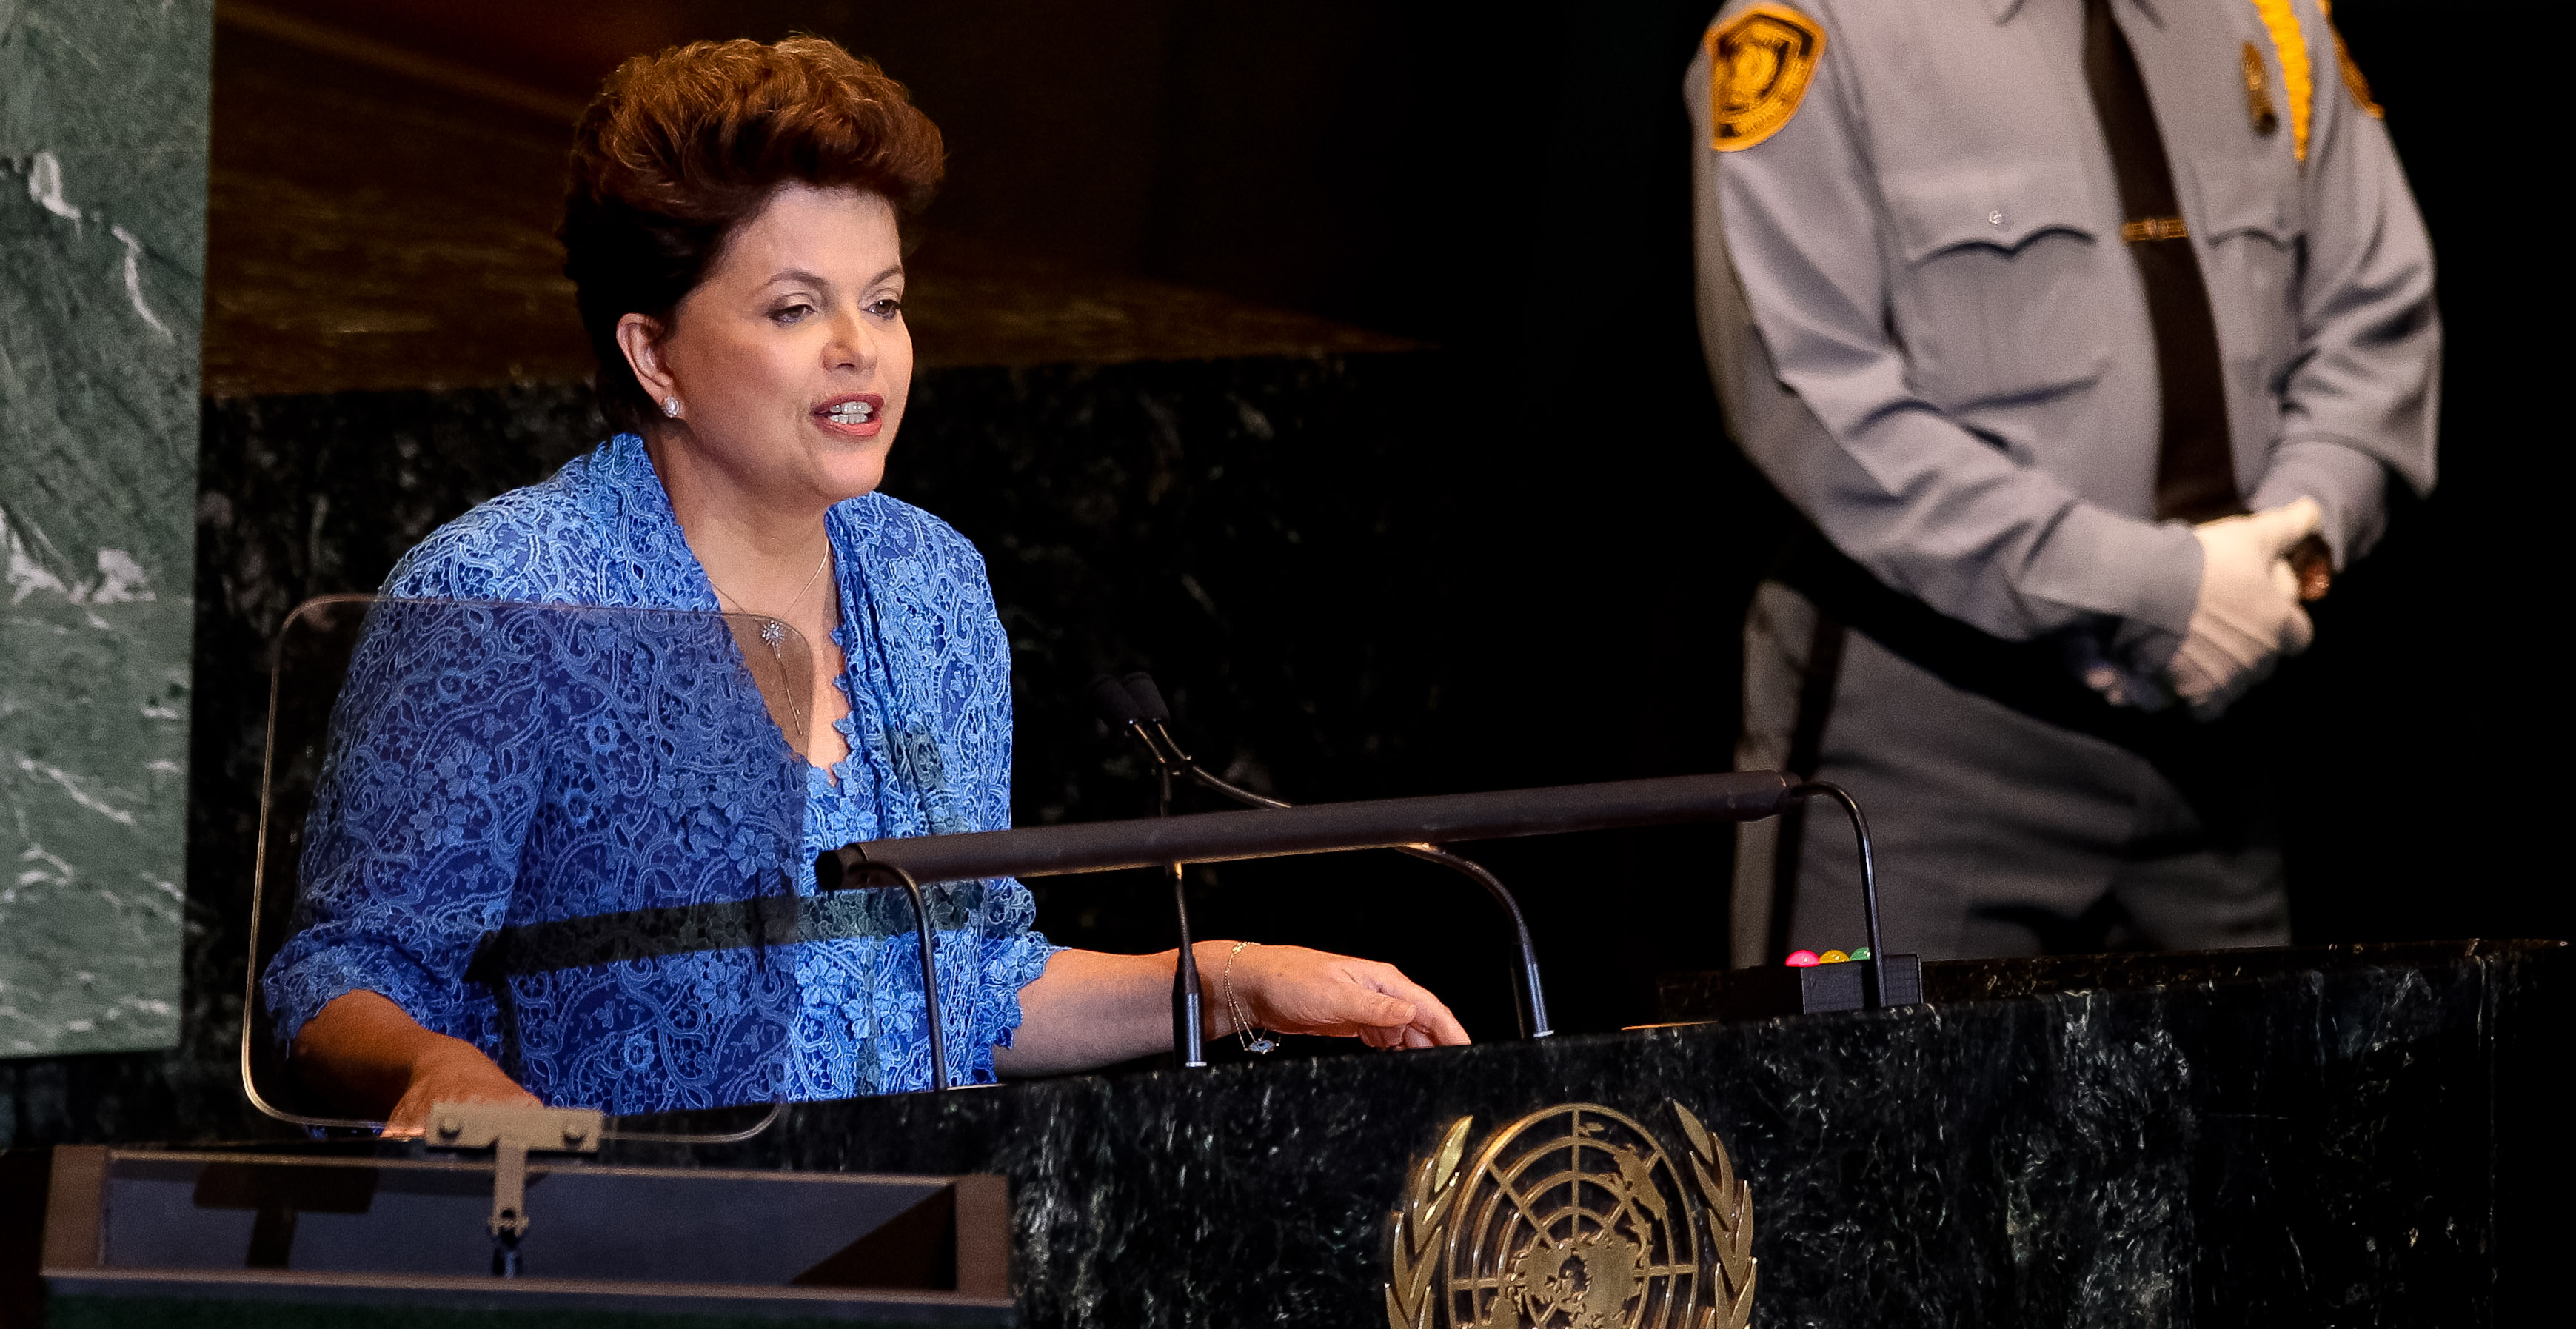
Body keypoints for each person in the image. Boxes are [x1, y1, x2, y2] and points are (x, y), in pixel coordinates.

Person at [265, 36, 1465, 1130]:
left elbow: (974, 976)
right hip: (614, 1266)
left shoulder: (930, 581)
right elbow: (337, 983)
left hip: (910, 1261)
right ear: (653, 353)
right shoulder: (507, 592)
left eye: (883, 302)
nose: (861, 348)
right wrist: (436, 1069)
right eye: (797, 308)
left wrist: (1228, 979)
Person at [1686, 0, 2437, 964]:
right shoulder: (1815, 24)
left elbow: (2375, 313)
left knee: (2234, 1114)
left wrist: (2296, 536)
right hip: (1930, 744)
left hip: (2220, 738)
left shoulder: (2268, 18)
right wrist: (2158, 592)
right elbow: (1808, 390)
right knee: (1872, 1110)